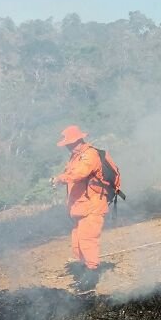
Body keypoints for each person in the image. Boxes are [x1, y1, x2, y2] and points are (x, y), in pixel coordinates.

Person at [52, 125, 110, 292]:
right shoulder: (75, 157)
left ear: (78, 141)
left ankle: (91, 280)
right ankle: (85, 275)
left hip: (92, 207)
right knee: (77, 245)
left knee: (87, 242)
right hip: (80, 209)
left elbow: (79, 174)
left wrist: (60, 178)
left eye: (69, 143)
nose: (68, 147)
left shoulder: (90, 155)